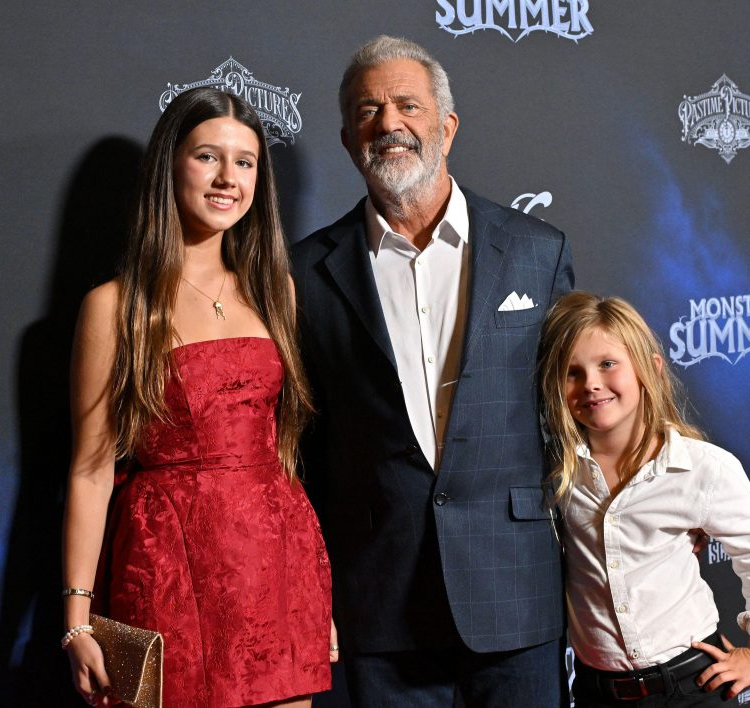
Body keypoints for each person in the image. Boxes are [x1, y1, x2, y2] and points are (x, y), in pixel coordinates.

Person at [291, 36, 573, 706]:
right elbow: (300, 450)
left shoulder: (536, 251)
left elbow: (574, 418)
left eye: (407, 105)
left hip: (515, 594)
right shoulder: (302, 273)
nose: (388, 122)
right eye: (368, 110)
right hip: (379, 604)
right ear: (347, 140)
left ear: (446, 126)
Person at [60, 87, 334, 708]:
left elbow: (282, 449)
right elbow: (91, 470)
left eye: (245, 162)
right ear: (170, 165)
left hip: (278, 567)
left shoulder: (276, 292)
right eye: (208, 156)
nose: (228, 178)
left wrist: (314, 599)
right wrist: (77, 619)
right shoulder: (115, 307)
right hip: (168, 568)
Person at [537, 292, 750, 707]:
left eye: (608, 364)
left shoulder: (700, 467)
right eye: (572, 373)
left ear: (650, 368)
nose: (591, 384)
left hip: (692, 684)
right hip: (595, 691)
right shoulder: (555, 470)